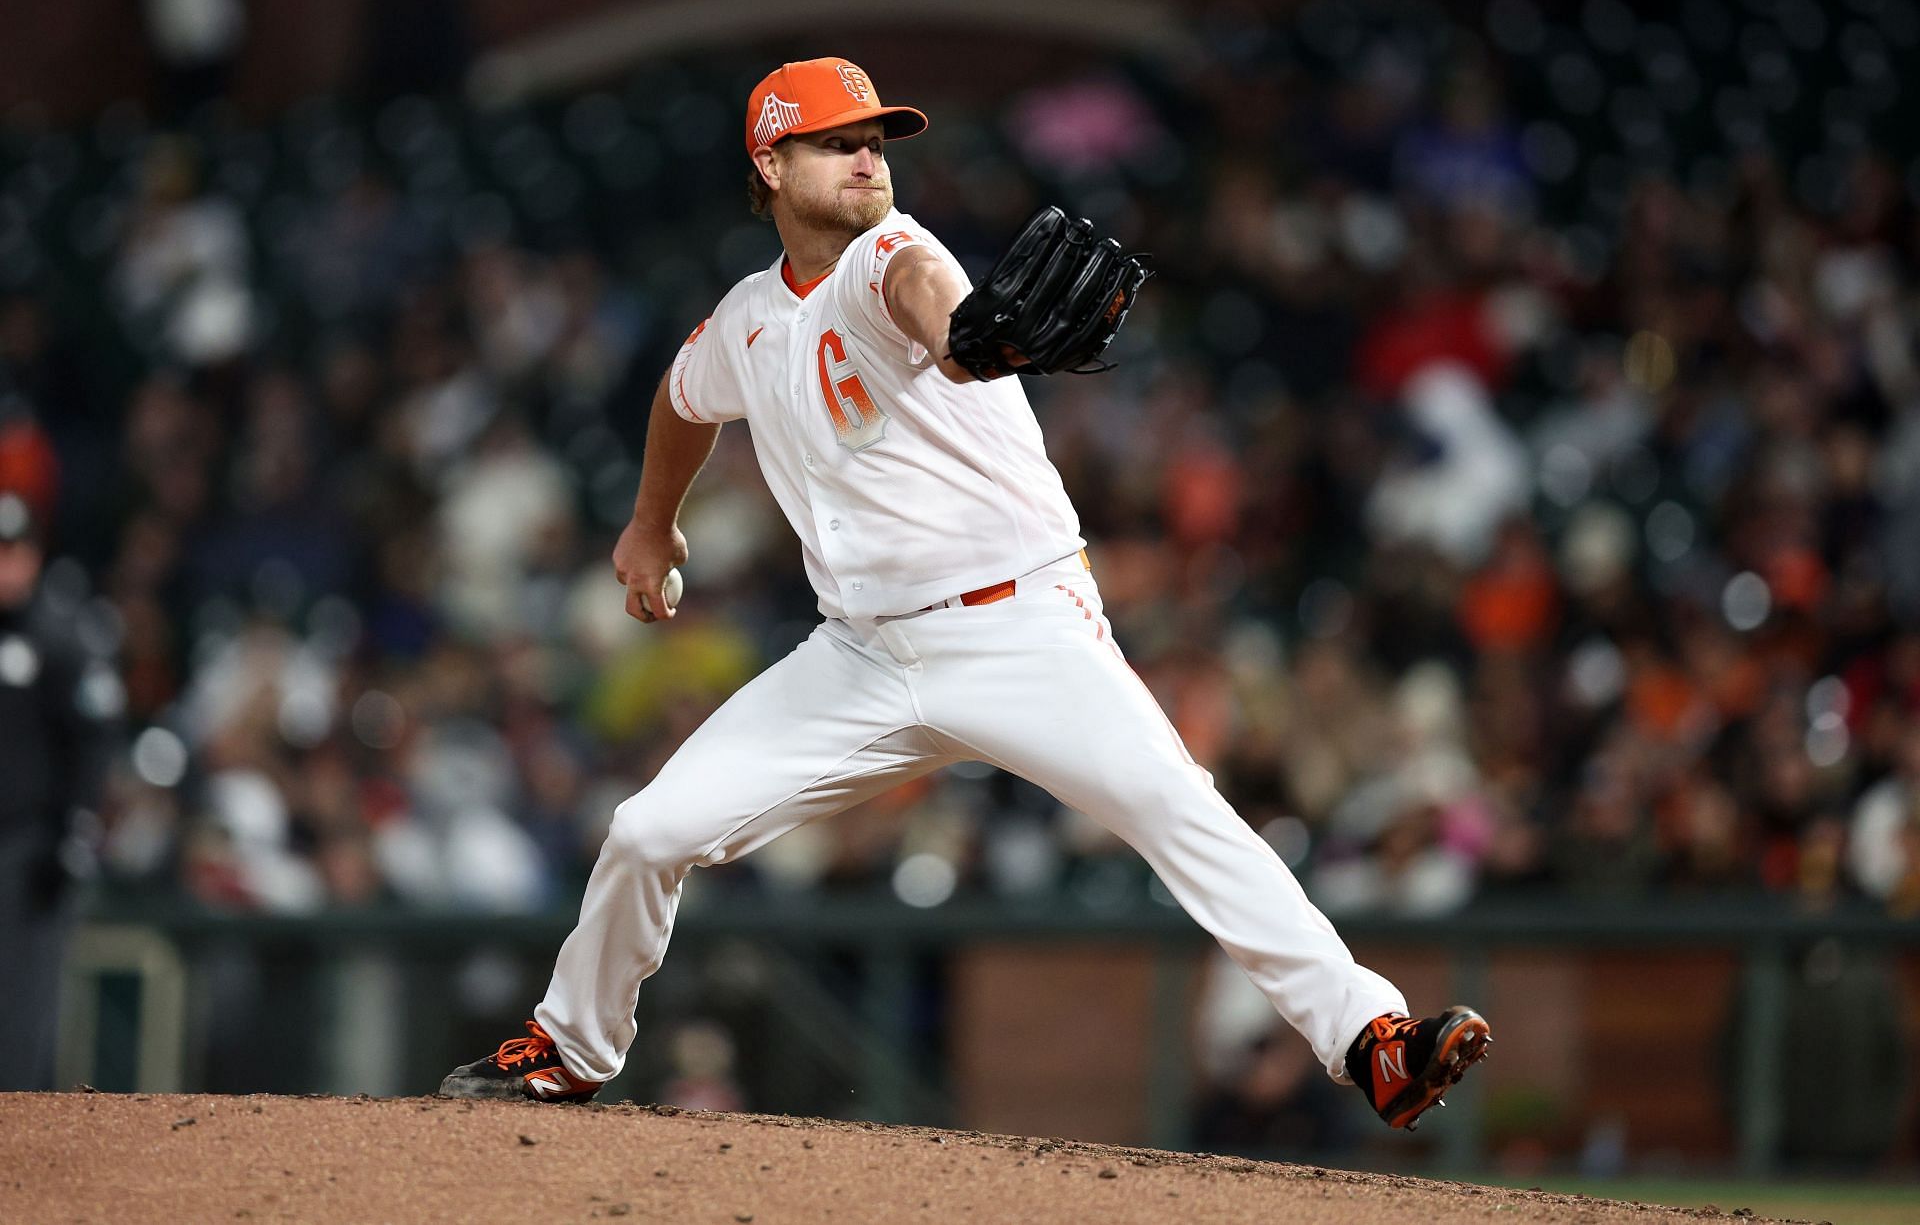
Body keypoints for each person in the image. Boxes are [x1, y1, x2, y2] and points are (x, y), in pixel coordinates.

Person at [440, 58, 1491, 1130]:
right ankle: (572, 1047)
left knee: (1179, 810)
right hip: (856, 657)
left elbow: (929, 299)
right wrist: (651, 523)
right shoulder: (748, 318)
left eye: (877, 140)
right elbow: (679, 397)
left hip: (1018, 626)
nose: (867, 157)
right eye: (837, 141)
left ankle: (1373, 1042)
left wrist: (969, 335)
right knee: (648, 831)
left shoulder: (893, 254)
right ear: (769, 161)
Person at [0, 488, 120, 1089]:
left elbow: (94, 740)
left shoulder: (59, 635)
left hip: (28, 851)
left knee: (21, 1010)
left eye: (12, 551)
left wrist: (73, 834)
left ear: (34, 556)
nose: (4, 566)